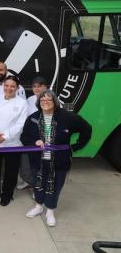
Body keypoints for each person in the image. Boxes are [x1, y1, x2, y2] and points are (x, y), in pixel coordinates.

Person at [21, 90, 92, 227]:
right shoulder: (33, 118)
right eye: (42, 100)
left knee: (55, 186)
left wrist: (75, 147)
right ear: (38, 103)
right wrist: (34, 142)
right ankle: (38, 206)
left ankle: (50, 211)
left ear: (54, 102)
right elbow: (24, 137)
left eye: (49, 100)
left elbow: (87, 129)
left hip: (59, 162)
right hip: (38, 161)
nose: (45, 102)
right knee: (38, 184)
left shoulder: (67, 117)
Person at [0, 75, 28, 206]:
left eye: (12, 86)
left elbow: (20, 125)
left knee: (11, 172)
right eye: (6, 85)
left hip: (12, 143)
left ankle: (7, 195)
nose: (9, 88)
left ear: (17, 87)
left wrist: (3, 137)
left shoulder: (22, 103)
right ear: (3, 86)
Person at [18, 76, 49, 190]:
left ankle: (38, 187)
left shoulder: (52, 100)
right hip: (30, 138)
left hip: (43, 139)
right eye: (34, 86)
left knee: (40, 165)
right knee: (26, 164)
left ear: (46, 87)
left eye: (40, 86)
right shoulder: (30, 100)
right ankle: (30, 181)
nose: (37, 89)